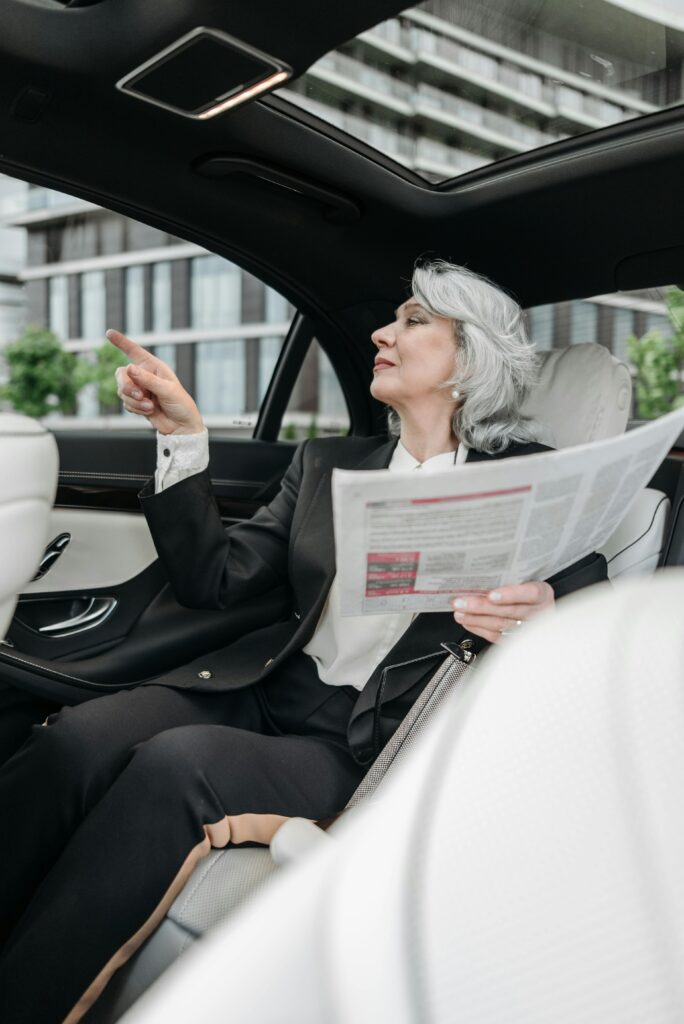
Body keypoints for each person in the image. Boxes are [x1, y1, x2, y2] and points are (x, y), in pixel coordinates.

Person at [0, 259, 607, 1023]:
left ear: (472, 356)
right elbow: (214, 582)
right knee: (75, 742)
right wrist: (186, 440)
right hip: (262, 690)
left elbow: (592, 603)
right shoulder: (327, 463)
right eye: (393, 316)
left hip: (365, 743)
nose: (384, 333)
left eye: (415, 320)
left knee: (174, 767)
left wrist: (547, 612)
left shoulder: (532, 482)